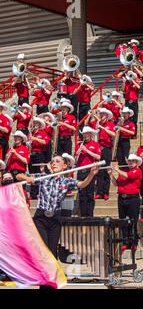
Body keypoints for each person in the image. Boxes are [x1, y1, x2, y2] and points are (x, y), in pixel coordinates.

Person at [17, 155, 98, 283]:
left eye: (57, 162)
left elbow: (82, 184)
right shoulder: (43, 177)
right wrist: (28, 178)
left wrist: (91, 174)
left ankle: (51, 278)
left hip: (55, 218)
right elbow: (18, 176)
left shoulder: (66, 181)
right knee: (43, 249)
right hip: (41, 217)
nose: (54, 163)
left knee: (52, 249)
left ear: (64, 166)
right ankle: (42, 276)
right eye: (52, 162)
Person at [109, 154, 143, 250]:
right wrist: (111, 174)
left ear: (136, 162)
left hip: (133, 199)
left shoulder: (137, 170)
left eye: (133, 161)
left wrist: (117, 169)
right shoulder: (124, 171)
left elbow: (128, 176)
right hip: (122, 198)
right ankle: (126, 242)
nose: (131, 163)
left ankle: (134, 242)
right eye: (130, 161)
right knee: (123, 220)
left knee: (133, 221)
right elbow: (116, 183)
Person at [88, 108, 116, 200]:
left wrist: (103, 128)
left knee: (106, 170)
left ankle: (105, 192)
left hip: (106, 149)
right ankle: (99, 192)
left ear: (107, 116)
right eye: (101, 114)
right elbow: (86, 125)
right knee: (99, 171)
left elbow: (113, 134)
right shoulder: (96, 123)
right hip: (98, 149)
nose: (102, 116)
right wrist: (92, 117)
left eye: (104, 115)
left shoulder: (110, 124)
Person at [75, 126, 101, 217]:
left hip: (90, 171)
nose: (85, 135)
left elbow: (98, 157)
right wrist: (78, 152)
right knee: (82, 194)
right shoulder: (79, 145)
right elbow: (75, 159)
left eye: (87, 133)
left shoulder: (95, 144)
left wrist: (87, 150)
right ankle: (83, 215)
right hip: (81, 170)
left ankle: (90, 215)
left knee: (90, 194)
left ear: (91, 134)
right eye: (84, 134)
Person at [28, 117, 50, 199]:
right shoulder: (31, 133)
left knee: (38, 174)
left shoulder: (43, 133)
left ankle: (38, 193)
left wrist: (36, 139)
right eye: (34, 123)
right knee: (32, 174)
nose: (35, 125)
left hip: (39, 155)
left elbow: (45, 142)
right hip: (32, 154)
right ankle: (33, 194)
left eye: (37, 123)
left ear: (40, 125)